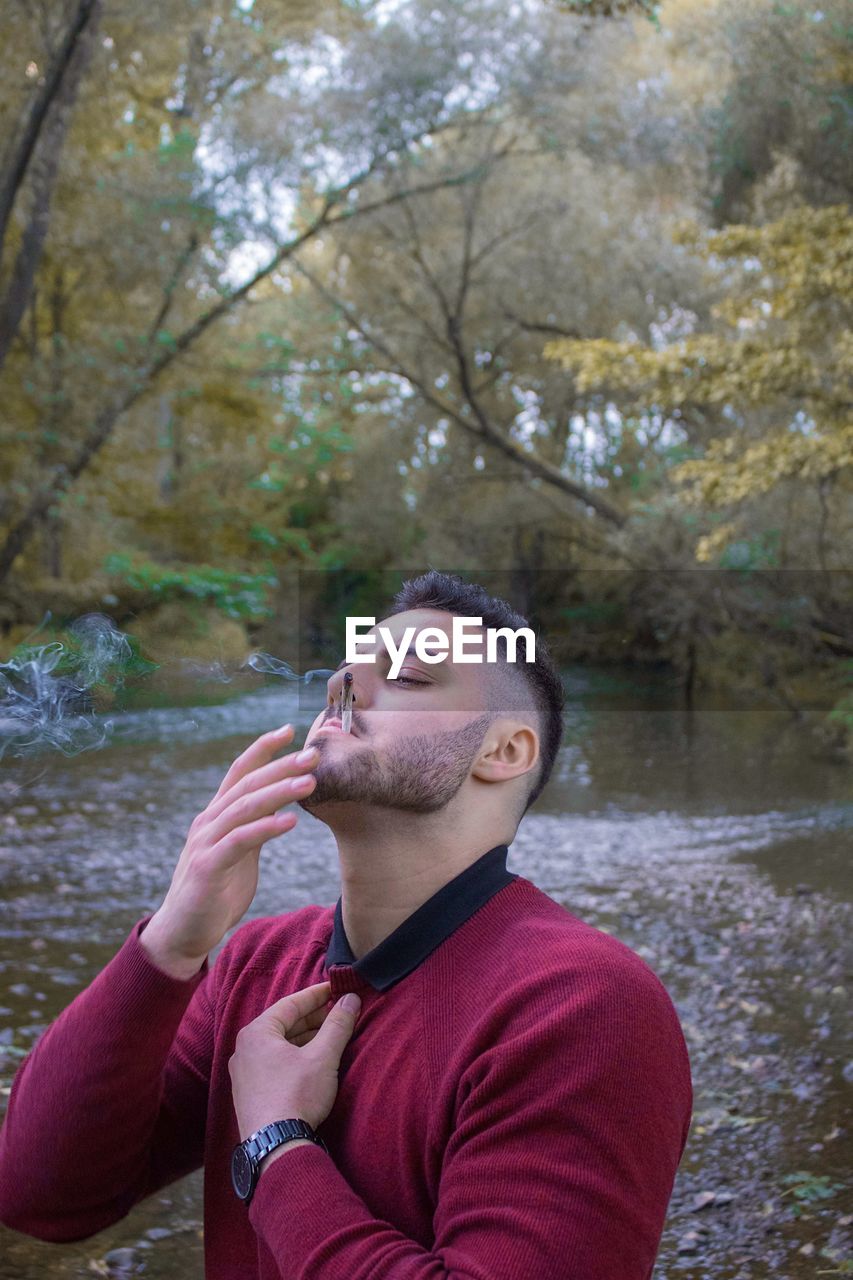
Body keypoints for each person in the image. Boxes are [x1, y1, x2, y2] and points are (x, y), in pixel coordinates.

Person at [0, 571, 693, 1279]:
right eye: (344, 676)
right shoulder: (254, 966)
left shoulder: (584, 1006)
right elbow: (42, 1197)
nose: (345, 690)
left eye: (410, 677)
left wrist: (278, 1145)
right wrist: (171, 944)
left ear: (503, 752)